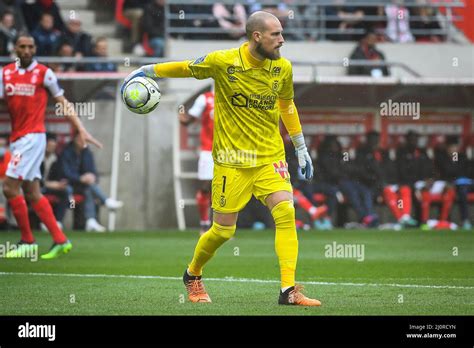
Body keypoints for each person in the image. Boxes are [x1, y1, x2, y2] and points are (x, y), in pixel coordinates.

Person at [123, 11, 321, 306]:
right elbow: (187, 68)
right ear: (257, 36)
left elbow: (287, 105)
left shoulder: (283, 68)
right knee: (223, 231)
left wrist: (301, 146)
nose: (282, 40)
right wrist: (150, 70)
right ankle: (193, 274)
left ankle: (288, 290)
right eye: (275, 35)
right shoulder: (223, 61)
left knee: (286, 212)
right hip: (231, 161)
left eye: (281, 34)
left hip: (269, 157)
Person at [0, 33, 102, 259]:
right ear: (15, 49)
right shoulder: (4, 74)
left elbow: (63, 102)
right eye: (22, 46)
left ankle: (27, 240)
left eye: (30, 46)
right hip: (18, 138)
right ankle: (60, 239)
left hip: (33, 137)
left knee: (9, 187)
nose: (27, 50)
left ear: (35, 48)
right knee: (32, 191)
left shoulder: (44, 74)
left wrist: (81, 128)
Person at [60, 132, 123, 232]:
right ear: (75, 139)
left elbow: (92, 170)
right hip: (68, 185)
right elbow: (65, 173)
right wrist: (80, 178)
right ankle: (105, 202)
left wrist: (92, 177)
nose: (83, 141)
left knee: (89, 189)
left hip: (83, 185)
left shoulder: (87, 152)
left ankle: (91, 221)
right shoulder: (66, 153)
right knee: (88, 187)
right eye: (80, 139)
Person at [179, 88, 215, 235]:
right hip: (209, 150)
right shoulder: (205, 98)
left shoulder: (235, 97)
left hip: (229, 152)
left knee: (224, 191)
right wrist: (181, 114)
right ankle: (204, 225)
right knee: (207, 187)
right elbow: (188, 121)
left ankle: (219, 228)